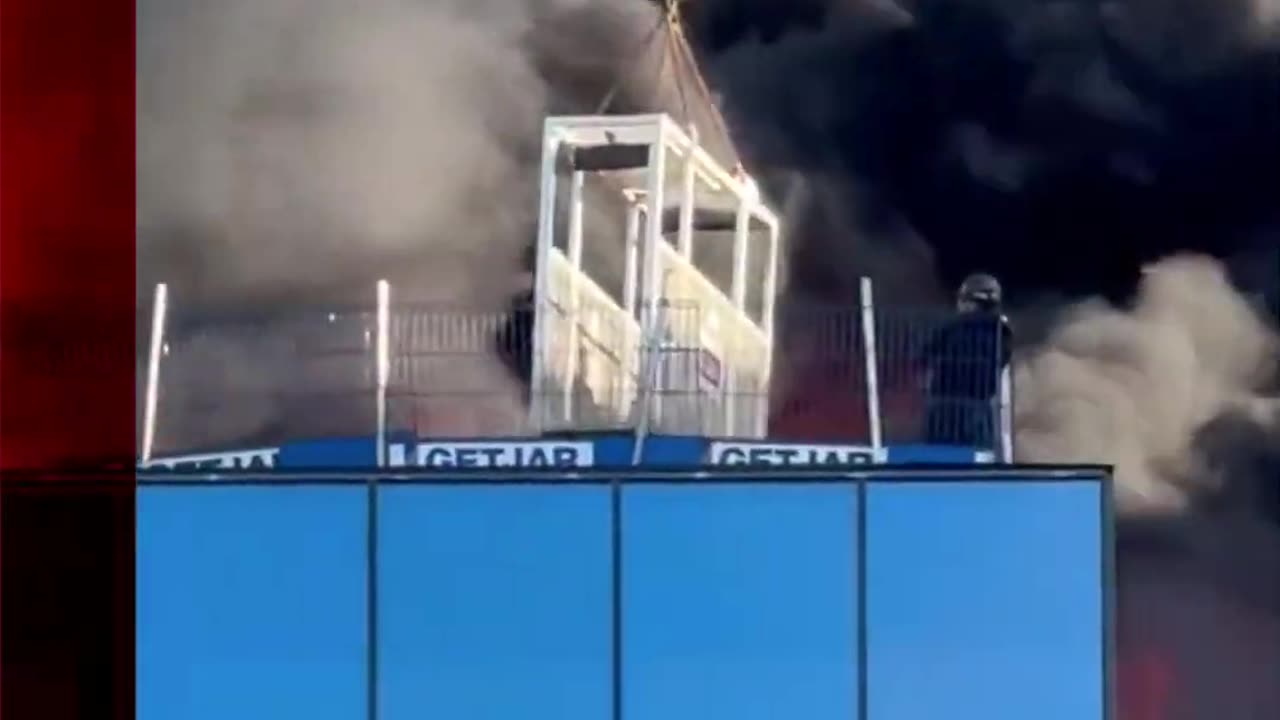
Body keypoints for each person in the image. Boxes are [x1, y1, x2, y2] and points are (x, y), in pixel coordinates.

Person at [916, 273, 1013, 448]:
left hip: (944, 408)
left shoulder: (951, 330)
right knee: (980, 459)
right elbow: (1004, 361)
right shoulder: (1002, 332)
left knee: (936, 458)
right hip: (981, 405)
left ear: (968, 302)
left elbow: (924, 357)